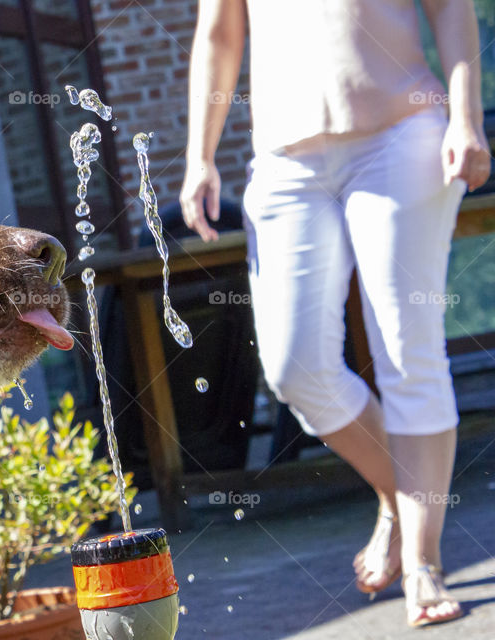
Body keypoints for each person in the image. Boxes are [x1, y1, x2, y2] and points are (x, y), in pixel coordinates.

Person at [181, 0, 490, 629]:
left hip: (401, 136)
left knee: (409, 352)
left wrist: (466, 119)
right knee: (296, 368)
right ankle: (399, 503)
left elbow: (452, 9)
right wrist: (199, 155)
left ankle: (424, 562)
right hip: (286, 162)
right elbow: (217, 35)